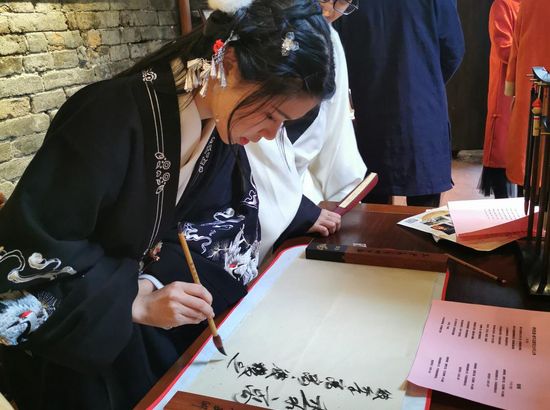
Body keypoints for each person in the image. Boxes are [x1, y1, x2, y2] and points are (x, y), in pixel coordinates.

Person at [0, 1, 335, 408]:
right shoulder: (108, 116)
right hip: (84, 338)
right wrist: (133, 300)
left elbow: (226, 216)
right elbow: (32, 250)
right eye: (271, 114)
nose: (270, 134)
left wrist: (152, 285)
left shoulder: (217, 125)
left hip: (138, 313)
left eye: (285, 123)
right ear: (228, 64)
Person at [246, 0, 366, 260]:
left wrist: (342, 196)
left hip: (303, 191)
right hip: (254, 195)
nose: (328, 10)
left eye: (343, 3)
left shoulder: (329, 40)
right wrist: (298, 210)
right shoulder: (253, 31)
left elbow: (336, 128)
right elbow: (249, 139)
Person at [336, 0, 465, 207]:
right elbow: (453, 49)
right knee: (424, 211)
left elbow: (339, 46)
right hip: (422, 108)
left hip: (370, 106)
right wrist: (427, 79)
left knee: (373, 205)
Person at [504, 0, 550, 187]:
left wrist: (512, 84)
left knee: (532, 158)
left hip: (532, 91)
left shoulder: (529, 3)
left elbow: (515, 48)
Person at [479, 0, 521, 199]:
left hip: (528, 88)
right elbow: (504, 48)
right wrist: (531, 52)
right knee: (502, 152)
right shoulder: (503, 5)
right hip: (506, 92)